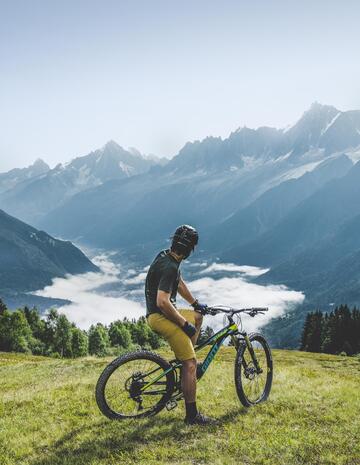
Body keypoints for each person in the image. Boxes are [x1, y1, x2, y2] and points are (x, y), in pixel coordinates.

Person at [145, 224, 216, 425]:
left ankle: (186, 362)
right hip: (159, 317)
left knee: (197, 317)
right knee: (191, 363)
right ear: (190, 249)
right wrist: (184, 324)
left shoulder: (166, 256)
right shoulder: (169, 267)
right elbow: (162, 302)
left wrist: (195, 304)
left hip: (160, 313)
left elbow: (178, 282)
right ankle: (192, 415)